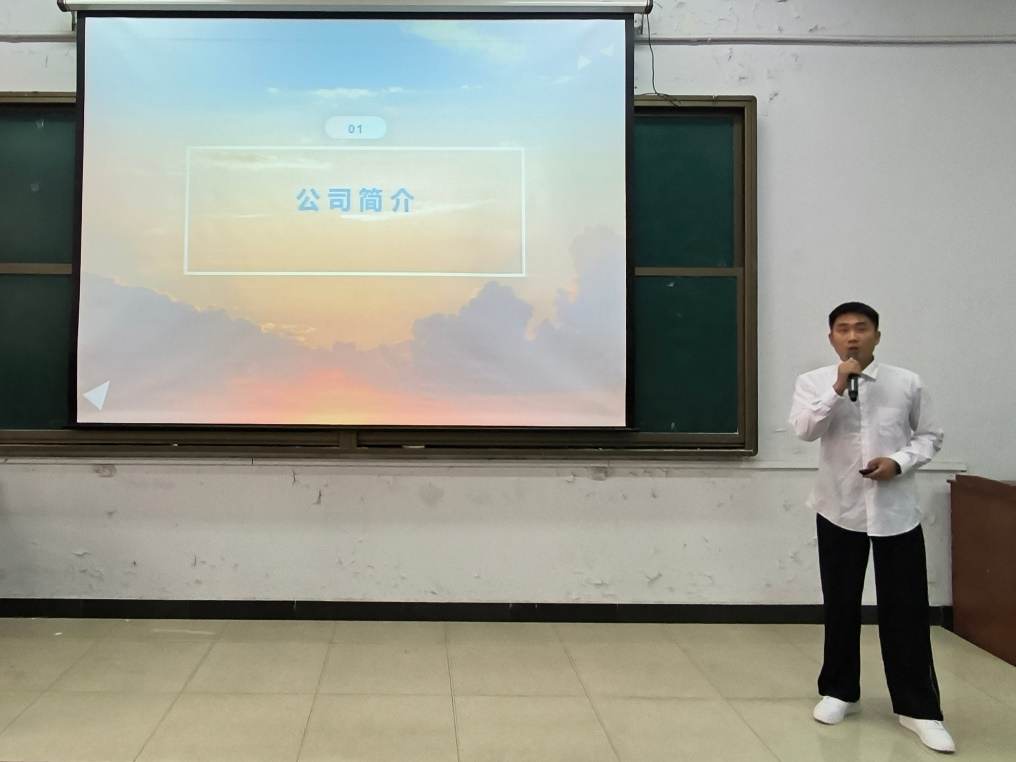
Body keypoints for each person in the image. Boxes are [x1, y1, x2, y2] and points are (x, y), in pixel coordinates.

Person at [789, 301, 954, 754]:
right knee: (840, 602)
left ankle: (919, 708)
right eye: (843, 329)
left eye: (861, 328)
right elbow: (804, 430)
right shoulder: (814, 382)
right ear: (831, 339)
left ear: (877, 336)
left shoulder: (907, 383)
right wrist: (836, 387)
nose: (852, 336)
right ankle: (839, 691)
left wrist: (899, 462)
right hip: (838, 507)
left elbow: (930, 436)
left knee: (906, 608)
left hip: (895, 511)